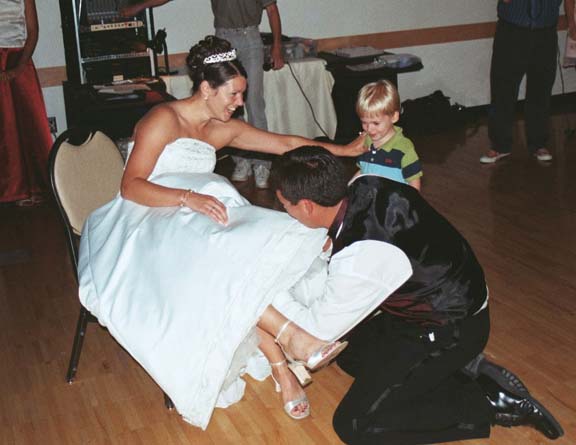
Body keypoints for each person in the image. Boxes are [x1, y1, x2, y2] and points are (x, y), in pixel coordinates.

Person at [78, 36, 361, 428]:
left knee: (243, 250)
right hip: (147, 215)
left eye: (242, 94)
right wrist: (187, 198)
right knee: (220, 255)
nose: (239, 103)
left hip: (196, 214)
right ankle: (286, 353)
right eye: (233, 94)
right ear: (206, 88)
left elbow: (286, 143)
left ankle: (288, 352)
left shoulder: (222, 127)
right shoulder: (163, 120)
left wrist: (343, 151)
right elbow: (131, 186)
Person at [271, 146, 564, 444]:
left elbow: (317, 332)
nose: (286, 212)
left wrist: (267, 297)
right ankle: (459, 371)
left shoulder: (361, 256)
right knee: (350, 354)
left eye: (286, 206)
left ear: (307, 206)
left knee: (354, 425)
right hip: (441, 304)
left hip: (452, 328)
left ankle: (489, 402)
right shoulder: (367, 182)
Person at [121, 0, 285, 189]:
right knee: (227, 106)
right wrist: (139, 7)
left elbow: (272, 10)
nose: (238, 101)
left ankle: (262, 166)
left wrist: (277, 47)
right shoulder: (163, 118)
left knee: (253, 103)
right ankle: (241, 162)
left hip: (251, 36)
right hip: (224, 34)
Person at [480, 0, 570, 164]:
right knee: (503, 90)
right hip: (512, 30)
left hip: (546, 32)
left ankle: (538, 144)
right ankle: (500, 145)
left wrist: (572, 24)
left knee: (541, 89)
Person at [0, 0, 53, 205]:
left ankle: (33, 187)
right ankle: (10, 189)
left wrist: (19, 66)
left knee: (30, 123)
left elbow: (33, 31)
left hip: (18, 59)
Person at [355, 79, 422, 190]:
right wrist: (349, 188)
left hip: (395, 200)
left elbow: (414, 181)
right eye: (364, 122)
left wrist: (413, 200)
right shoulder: (366, 142)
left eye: (376, 123)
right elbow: (363, 170)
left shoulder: (404, 148)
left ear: (394, 117)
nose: (369, 129)